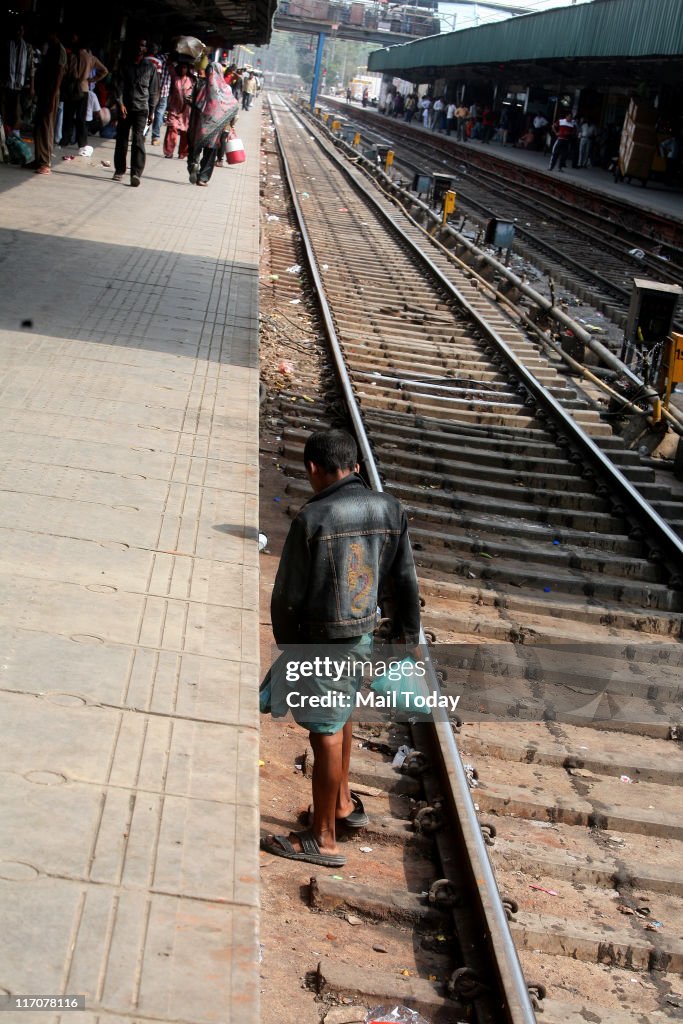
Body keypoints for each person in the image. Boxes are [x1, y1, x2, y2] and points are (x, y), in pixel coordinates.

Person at [260, 429, 421, 868]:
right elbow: (404, 579)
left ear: (313, 467)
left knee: (324, 732)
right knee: (342, 714)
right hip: (362, 634)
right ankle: (343, 805)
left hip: (321, 639)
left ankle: (323, 837)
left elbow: (287, 597)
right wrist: (407, 638)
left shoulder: (313, 519)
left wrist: (289, 649)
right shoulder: (390, 507)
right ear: (353, 463)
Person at [112, 38, 159, 187]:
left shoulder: (150, 68)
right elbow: (117, 85)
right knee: (122, 139)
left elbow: (154, 91)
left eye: (143, 46)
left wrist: (152, 111)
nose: (140, 48)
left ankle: (136, 173)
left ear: (146, 49)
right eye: (138, 45)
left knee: (138, 140)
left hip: (141, 108)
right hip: (125, 107)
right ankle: (119, 170)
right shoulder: (125, 65)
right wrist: (119, 103)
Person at [186, 60, 239, 186]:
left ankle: (193, 164)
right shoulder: (226, 89)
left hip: (199, 126)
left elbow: (189, 99)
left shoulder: (200, 85)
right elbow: (233, 106)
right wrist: (229, 123)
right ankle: (203, 178)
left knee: (194, 148)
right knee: (210, 154)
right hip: (216, 129)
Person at [29, 25, 67, 174]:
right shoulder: (50, 49)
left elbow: (59, 75)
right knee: (39, 125)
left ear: (54, 34)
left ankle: (45, 162)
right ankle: (39, 159)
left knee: (46, 126)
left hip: (51, 92)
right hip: (44, 91)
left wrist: (52, 97)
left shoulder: (60, 50)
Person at [60, 35, 108, 149]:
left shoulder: (71, 56)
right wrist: (92, 79)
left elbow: (64, 71)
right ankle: (82, 142)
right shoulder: (91, 58)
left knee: (68, 116)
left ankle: (65, 140)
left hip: (71, 89)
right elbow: (104, 71)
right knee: (81, 118)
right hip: (84, 89)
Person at [2, 22, 34, 136]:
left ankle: (13, 134)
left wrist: (32, 87)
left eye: (21, 30)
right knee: (4, 111)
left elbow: (31, 68)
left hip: (19, 85)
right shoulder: (6, 45)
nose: (19, 32)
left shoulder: (28, 47)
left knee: (16, 112)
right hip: (6, 84)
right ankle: (5, 133)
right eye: (17, 30)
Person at [163, 62, 192, 159]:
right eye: (182, 67)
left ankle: (182, 152)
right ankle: (169, 151)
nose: (183, 69)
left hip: (186, 110)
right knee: (172, 129)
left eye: (185, 67)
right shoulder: (175, 78)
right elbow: (169, 67)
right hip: (174, 108)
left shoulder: (191, 80)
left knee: (184, 132)